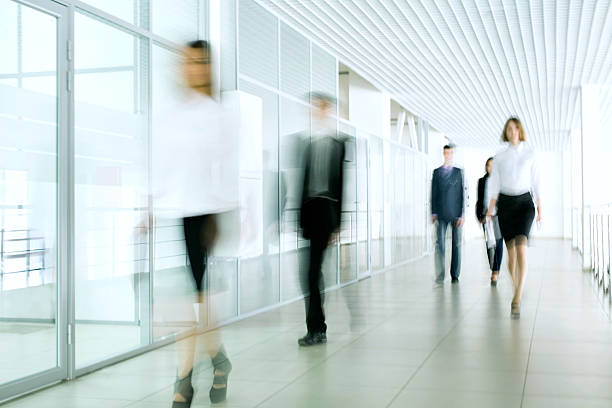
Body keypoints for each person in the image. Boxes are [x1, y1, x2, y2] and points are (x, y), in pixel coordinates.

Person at [152, 40, 237, 406]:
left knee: (194, 299)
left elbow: (226, 167)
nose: (192, 68)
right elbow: (163, 164)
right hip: (177, 211)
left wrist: (227, 213)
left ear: (208, 67)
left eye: (199, 62)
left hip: (206, 215)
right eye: (187, 62)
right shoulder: (172, 113)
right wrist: (149, 207)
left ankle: (183, 381)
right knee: (192, 300)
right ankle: (217, 360)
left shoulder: (217, 113)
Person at [298, 92, 346, 346]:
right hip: (310, 214)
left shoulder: (338, 145)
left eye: (321, 107)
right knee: (311, 274)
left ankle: (316, 329)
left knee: (311, 272)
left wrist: (338, 224)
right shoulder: (307, 144)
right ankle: (317, 328)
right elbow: (302, 185)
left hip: (326, 215)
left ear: (329, 111)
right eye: (314, 107)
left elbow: (341, 187)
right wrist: (297, 220)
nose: (316, 111)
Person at [485, 117, 541, 318]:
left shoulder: (530, 153)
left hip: (525, 203)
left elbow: (536, 180)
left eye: (515, 128)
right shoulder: (500, 157)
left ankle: (517, 296)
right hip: (506, 204)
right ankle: (517, 285)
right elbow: (494, 184)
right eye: (509, 128)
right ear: (506, 132)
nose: (513, 131)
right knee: (511, 255)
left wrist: (540, 206)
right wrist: (490, 210)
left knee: (521, 249)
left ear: (520, 130)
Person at [431, 145, 465, 284]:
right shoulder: (437, 172)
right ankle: (440, 275)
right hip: (440, 213)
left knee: (456, 245)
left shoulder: (458, 172)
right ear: (443, 154)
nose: (448, 155)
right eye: (446, 153)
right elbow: (433, 193)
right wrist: (433, 212)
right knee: (440, 245)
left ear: (453, 154)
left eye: (450, 153)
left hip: (455, 214)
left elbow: (461, 193)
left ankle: (455, 274)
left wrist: (461, 214)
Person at [476, 157, 504, 286]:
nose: (491, 168)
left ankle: (496, 271)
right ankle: (493, 268)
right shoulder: (481, 181)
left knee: (498, 244)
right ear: (486, 167)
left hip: (497, 217)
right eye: (489, 166)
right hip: (485, 218)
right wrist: (479, 216)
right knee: (489, 245)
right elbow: (479, 200)